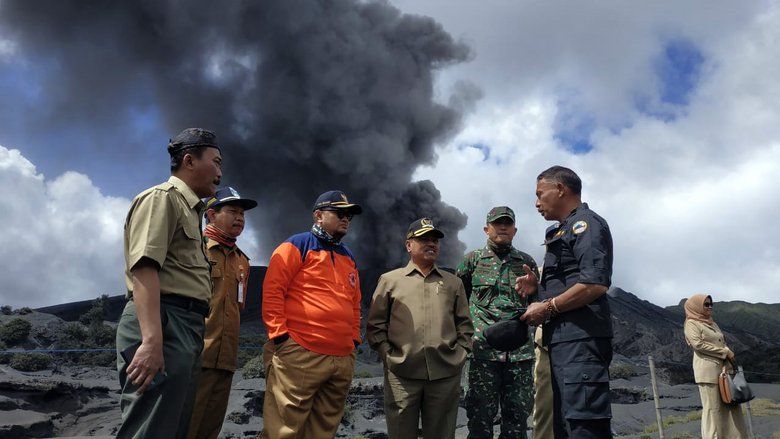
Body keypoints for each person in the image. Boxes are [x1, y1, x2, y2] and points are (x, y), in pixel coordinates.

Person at [116, 128, 223, 438]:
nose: (220, 172)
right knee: (151, 428)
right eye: (216, 162)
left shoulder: (193, 213)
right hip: (163, 321)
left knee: (172, 429)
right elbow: (145, 269)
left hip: (185, 328)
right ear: (189, 161)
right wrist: (151, 341)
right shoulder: (163, 199)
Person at [517, 166, 614, 438]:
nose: (536, 203)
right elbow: (571, 281)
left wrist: (547, 307)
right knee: (565, 427)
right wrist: (538, 290)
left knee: (584, 427)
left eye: (540, 194)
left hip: (581, 342)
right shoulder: (562, 230)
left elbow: (594, 283)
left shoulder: (586, 225)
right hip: (563, 343)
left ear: (560, 189)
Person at [260, 190, 363, 439]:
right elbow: (273, 290)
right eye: (339, 213)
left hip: (340, 358)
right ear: (318, 215)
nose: (345, 218)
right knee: (282, 430)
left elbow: (355, 302)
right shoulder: (296, 245)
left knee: (323, 430)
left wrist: (353, 341)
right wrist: (281, 337)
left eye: (348, 214)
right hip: (300, 351)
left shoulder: (348, 256)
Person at [367, 218, 474, 439]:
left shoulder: (453, 283)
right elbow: (376, 325)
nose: (431, 244)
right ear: (409, 245)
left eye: (435, 240)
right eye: (424, 239)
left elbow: (465, 326)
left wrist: (460, 355)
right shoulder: (389, 281)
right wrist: (389, 357)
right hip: (402, 375)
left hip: (445, 375)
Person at [456, 206, 538, 439]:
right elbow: (458, 299)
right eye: (497, 223)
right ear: (486, 229)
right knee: (479, 418)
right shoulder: (471, 261)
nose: (503, 227)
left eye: (508, 223)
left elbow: (537, 305)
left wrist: (534, 291)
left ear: (514, 230)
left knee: (517, 419)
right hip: (483, 354)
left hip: (519, 355)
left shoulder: (526, 262)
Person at [187, 187, 257, 439]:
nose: (240, 218)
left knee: (209, 430)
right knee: (183, 428)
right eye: (232, 211)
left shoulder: (242, 261)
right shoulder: (195, 248)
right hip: (195, 359)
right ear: (211, 214)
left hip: (225, 361)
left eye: (242, 213)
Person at [683, 294, 748, 439]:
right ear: (696, 306)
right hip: (708, 372)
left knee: (731, 406)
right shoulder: (691, 323)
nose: (710, 307)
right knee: (713, 410)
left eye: (711, 304)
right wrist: (724, 352)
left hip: (723, 370)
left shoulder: (712, 323)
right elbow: (698, 345)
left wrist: (727, 357)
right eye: (706, 304)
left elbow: (720, 341)